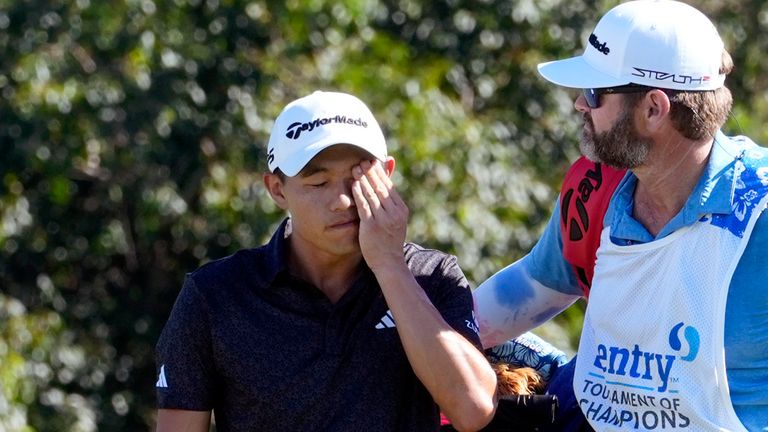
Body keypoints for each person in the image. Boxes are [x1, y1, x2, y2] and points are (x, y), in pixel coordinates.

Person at [473, 1, 768, 431]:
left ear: (653, 108)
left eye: (595, 93)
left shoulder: (759, 217)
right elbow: (534, 285)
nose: (579, 104)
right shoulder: (598, 190)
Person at [154, 91, 498, 431]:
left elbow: (472, 408)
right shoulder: (215, 295)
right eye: (319, 182)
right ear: (277, 189)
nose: (343, 200)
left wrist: (390, 265)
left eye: (358, 178)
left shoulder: (432, 276)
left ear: (387, 174)